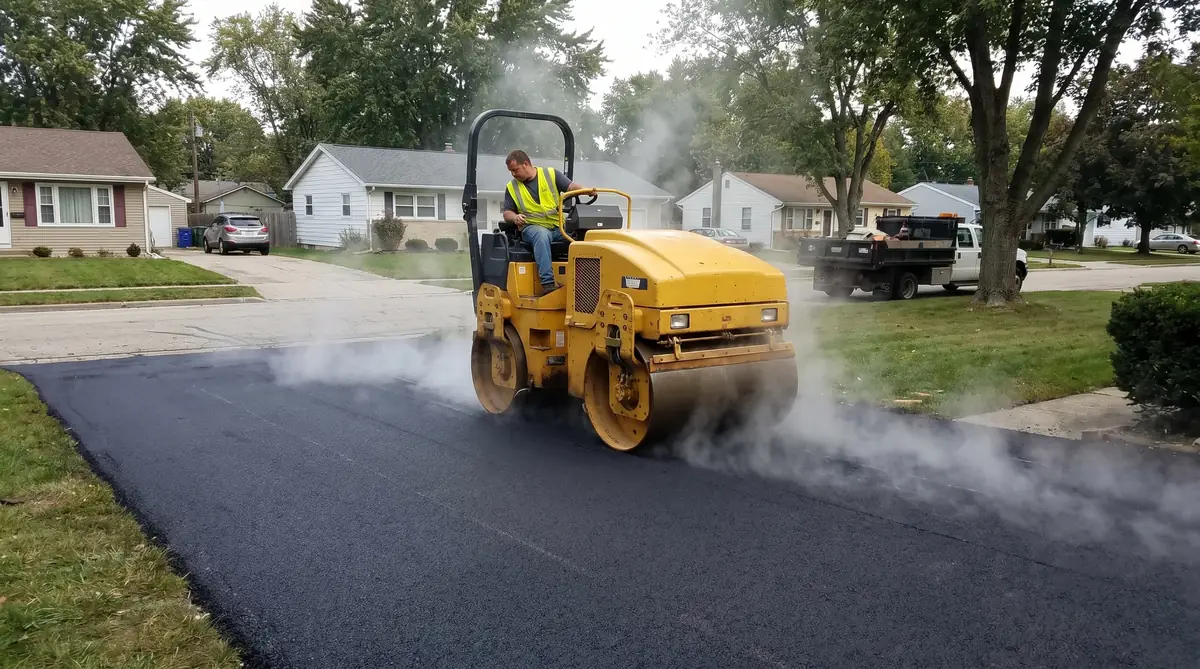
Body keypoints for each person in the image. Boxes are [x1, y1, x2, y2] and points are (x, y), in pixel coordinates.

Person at [501, 149, 592, 294]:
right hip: (532, 228)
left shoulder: (550, 174)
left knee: (584, 235)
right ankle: (548, 283)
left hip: (558, 227)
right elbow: (507, 213)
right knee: (541, 235)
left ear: (525, 164)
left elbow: (570, 187)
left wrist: (585, 190)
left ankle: (586, 282)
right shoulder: (512, 187)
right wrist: (515, 217)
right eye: (511, 171)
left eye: (515, 170)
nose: (513, 174)